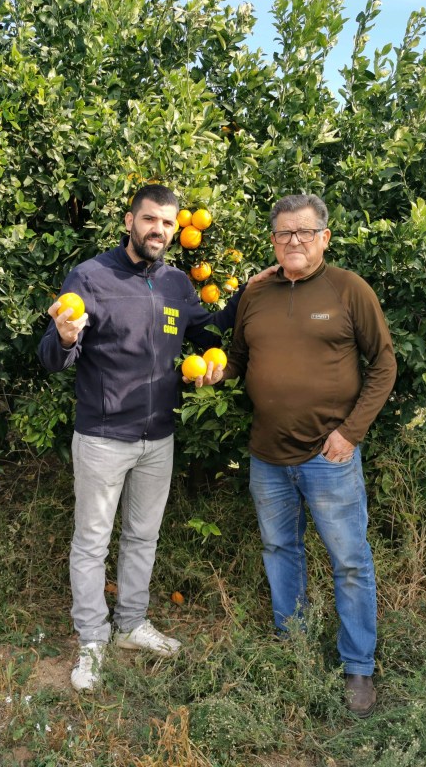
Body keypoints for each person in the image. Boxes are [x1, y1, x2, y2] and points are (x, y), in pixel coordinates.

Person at [38, 184, 272, 692]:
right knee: (92, 543)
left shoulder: (176, 285)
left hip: (158, 437)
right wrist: (64, 336)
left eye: (167, 223)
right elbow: (53, 358)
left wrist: (250, 292)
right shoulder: (90, 276)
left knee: (144, 536)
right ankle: (92, 642)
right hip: (102, 436)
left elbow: (207, 333)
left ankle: (131, 624)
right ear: (129, 221)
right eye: (149, 220)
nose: (159, 230)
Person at [220, 193, 396, 717]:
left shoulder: (348, 289)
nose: (293, 240)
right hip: (267, 456)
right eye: (283, 233)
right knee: (281, 551)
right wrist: (215, 372)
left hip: (330, 457)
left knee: (349, 561)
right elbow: (237, 359)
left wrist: (350, 433)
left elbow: (383, 364)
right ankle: (293, 646)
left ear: (324, 236)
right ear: (272, 239)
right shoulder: (255, 293)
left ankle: (358, 667)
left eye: (303, 231)